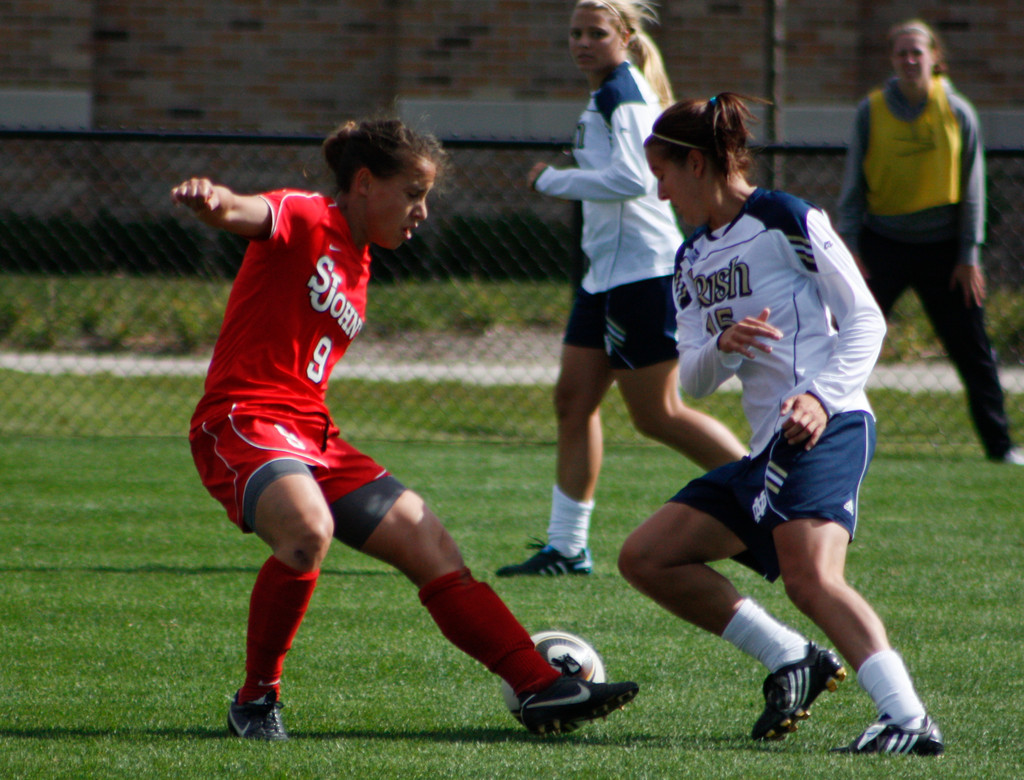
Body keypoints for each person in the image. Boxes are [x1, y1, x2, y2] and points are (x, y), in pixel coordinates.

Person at [171, 118, 638, 741]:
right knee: (309, 532)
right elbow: (245, 212)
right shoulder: (308, 214)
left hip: (312, 434)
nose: (421, 212)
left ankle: (539, 687)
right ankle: (255, 702)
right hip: (244, 420)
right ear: (365, 183)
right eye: (414, 193)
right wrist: (214, 201)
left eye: (426, 198)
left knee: (432, 546)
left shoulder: (360, 261)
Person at [618, 93, 944, 755]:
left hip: (827, 424)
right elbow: (693, 379)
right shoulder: (690, 261)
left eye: (664, 173)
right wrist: (722, 344)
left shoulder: (784, 217)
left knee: (812, 577)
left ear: (700, 163)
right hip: (768, 445)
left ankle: (907, 718)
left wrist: (821, 396)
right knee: (647, 558)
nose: (658, 193)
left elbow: (866, 320)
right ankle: (795, 657)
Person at [497, 0, 746, 578]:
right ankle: (567, 548)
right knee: (572, 401)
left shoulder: (622, 93)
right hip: (603, 278)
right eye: (575, 33)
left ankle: (770, 497)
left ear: (625, 36)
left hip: (641, 274)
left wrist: (552, 179)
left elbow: (635, 179)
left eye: (596, 32)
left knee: (658, 414)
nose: (582, 42)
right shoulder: (605, 92)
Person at [837, 19, 1023, 465]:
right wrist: (851, 251)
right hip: (882, 244)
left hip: (945, 252)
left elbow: (974, 190)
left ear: (936, 57)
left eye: (917, 52)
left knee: (973, 351)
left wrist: (968, 255)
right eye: (901, 52)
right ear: (891, 59)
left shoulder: (958, 111)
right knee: (844, 341)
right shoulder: (871, 110)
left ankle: (1001, 448)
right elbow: (852, 189)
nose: (909, 60)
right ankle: (821, 438)